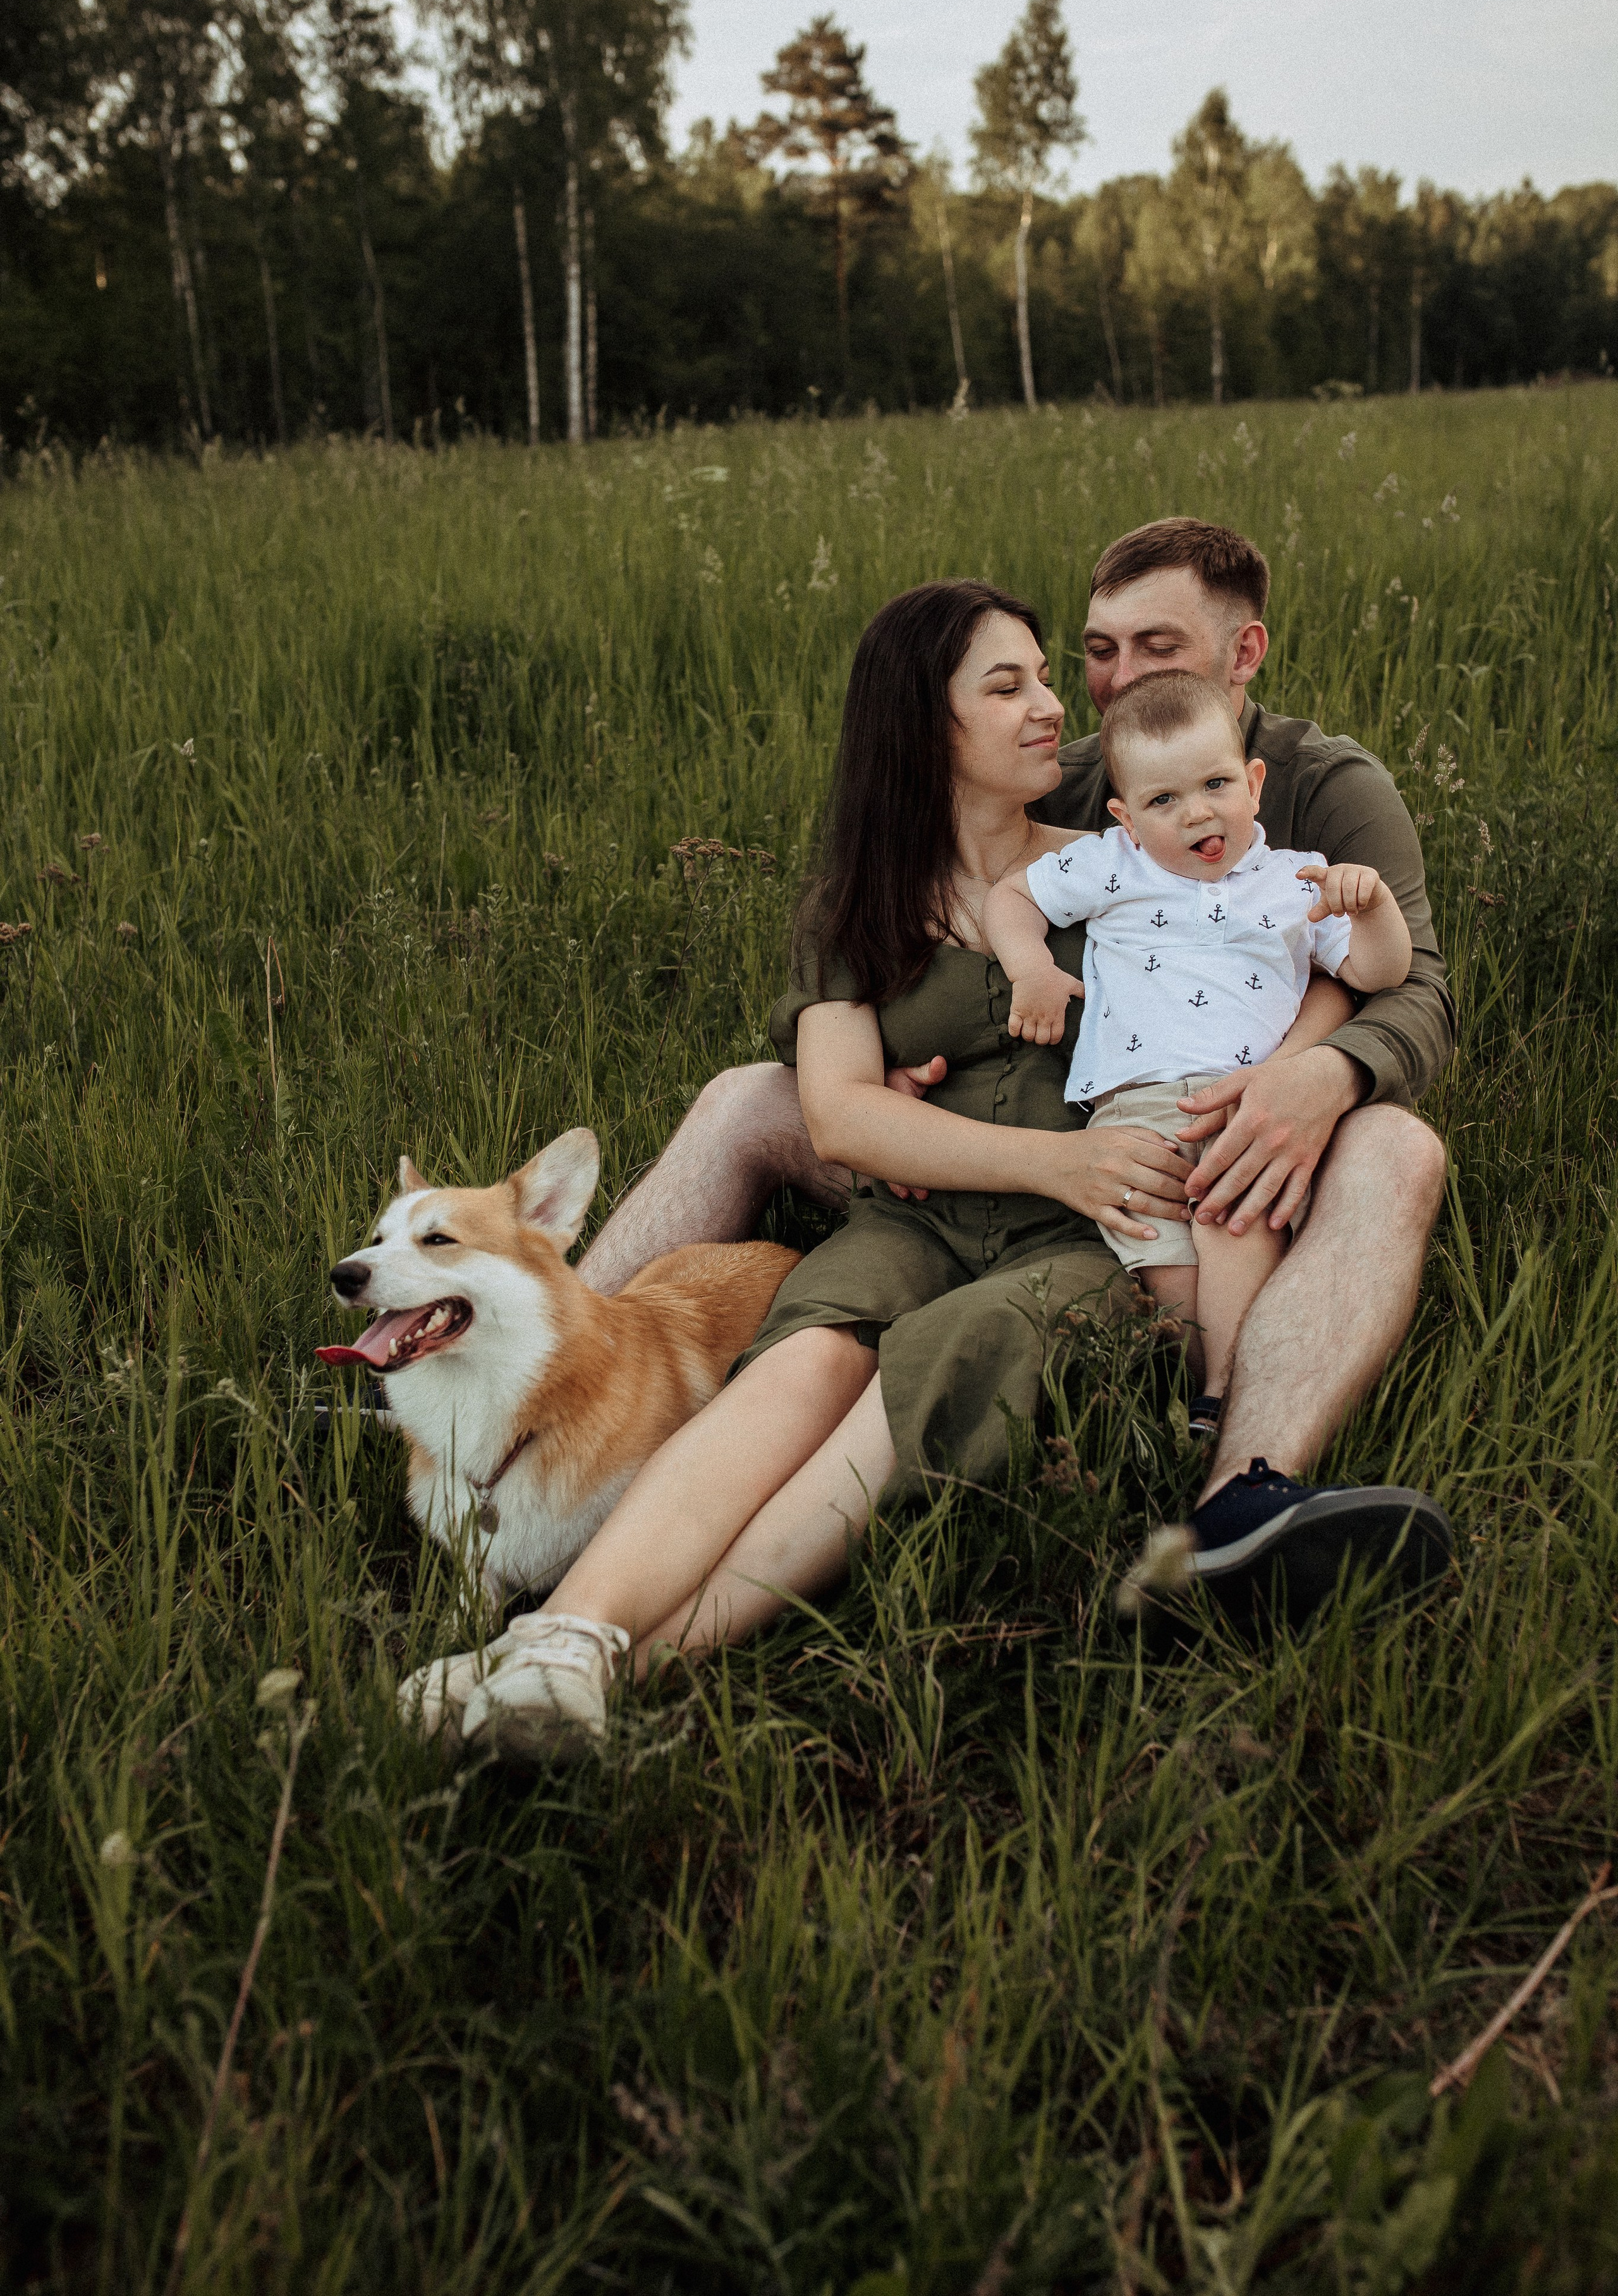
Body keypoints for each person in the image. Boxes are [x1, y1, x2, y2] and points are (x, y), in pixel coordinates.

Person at [399, 569, 1449, 1762]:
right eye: (1012, 686)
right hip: (928, 1215)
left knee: (921, 1376)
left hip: (1088, 1238)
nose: (1059, 707)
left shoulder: (1126, 854)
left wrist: (1267, 1085)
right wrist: (1050, 1159)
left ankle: (615, 1667)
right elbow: (838, 1117)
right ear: (922, 726)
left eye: (1048, 676)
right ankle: (564, 1624)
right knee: (801, 1361)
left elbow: (1304, 964)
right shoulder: (862, 901)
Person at [981, 667, 1413, 1434]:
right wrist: (1030, 969)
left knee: (1232, 1219)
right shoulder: (1115, 862)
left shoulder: (1294, 879)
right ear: (1126, 814)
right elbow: (1010, 898)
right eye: (1163, 800)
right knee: (1167, 1265)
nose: (1196, 813)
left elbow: (1378, 974)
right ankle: (1186, 1376)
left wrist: (1371, 904)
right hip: (1137, 1102)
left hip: (1249, 1098)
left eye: (1215, 783)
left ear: (1253, 782)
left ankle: (1218, 1392)